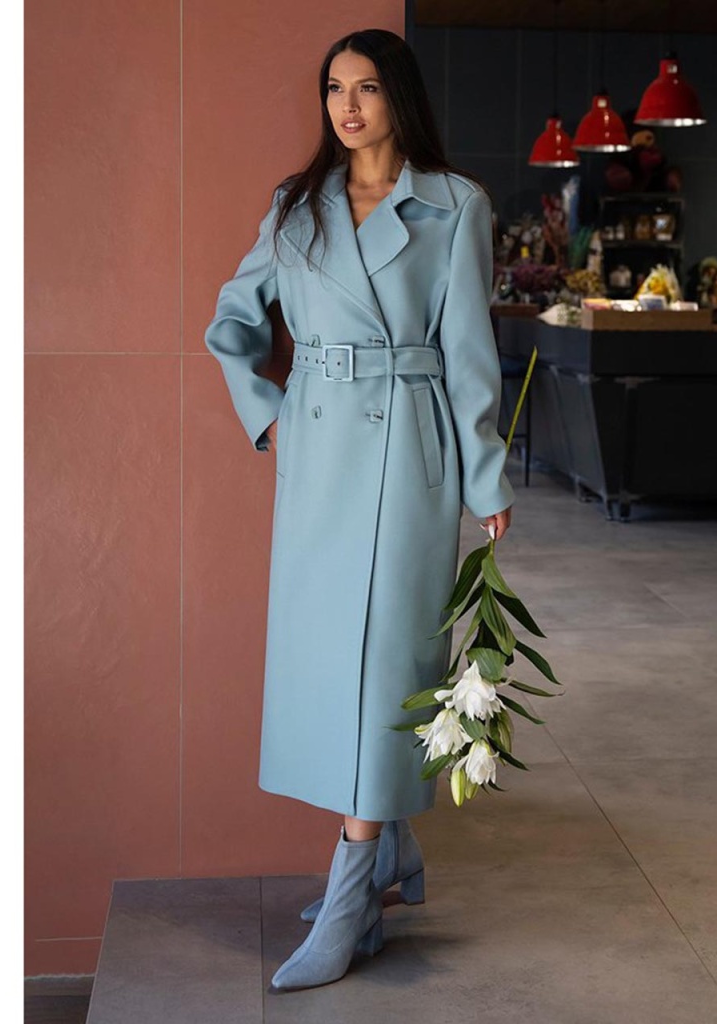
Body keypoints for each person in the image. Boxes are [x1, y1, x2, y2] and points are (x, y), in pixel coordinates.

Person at [204, 29, 515, 992]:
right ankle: (391, 858)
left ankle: (349, 893)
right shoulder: (294, 207)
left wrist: (485, 477)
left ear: (398, 97)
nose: (347, 105)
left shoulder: (454, 205)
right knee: (328, 660)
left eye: (368, 86)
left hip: (408, 452)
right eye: (335, 87)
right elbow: (232, 322)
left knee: (387, 662)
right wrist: (271, 420)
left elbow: (469, 352)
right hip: (319, 453)